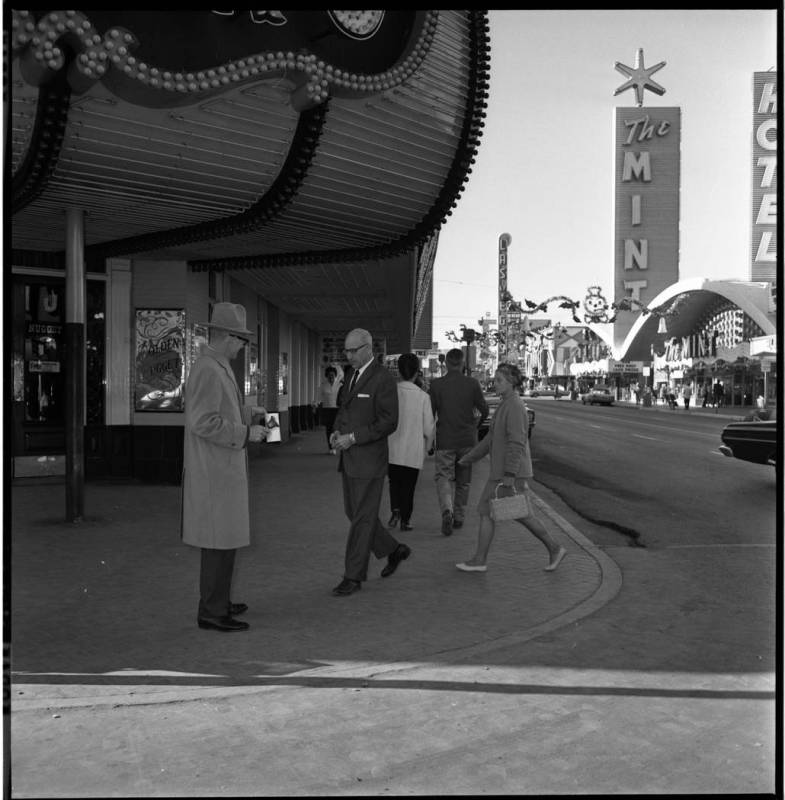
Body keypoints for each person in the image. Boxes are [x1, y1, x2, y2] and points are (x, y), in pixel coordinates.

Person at [181, 302, 268, 632]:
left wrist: (248, 413)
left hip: (220, 470)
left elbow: (218, 413)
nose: (243, 347)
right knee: (218, 542)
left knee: (224, 540)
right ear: (229, 337)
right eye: (242, 340)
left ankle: (218, 601)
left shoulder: (215, 366)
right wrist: (246, 432)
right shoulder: (209, 369)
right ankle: (212, 611)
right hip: (215, 472)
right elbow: (203, 422)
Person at [454, 363, 566, 573]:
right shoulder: (506, 404)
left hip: (508, 473)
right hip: (504, 472)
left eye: (499, 381)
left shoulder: (513, 406)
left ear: (512, 382)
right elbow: (490, 439)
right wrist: (469, 458)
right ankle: (481, 560)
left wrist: (509, 474)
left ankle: (554, 548)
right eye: (495, 380)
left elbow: (517, 442)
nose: (494, 384)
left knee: (515, 514)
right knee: (498, 513)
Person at [329, 328, 411, 596]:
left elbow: (389, 421)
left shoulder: (383, 378)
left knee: (362, 520)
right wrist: (337, 431)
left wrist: (353, 437)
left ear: (368, 348)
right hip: (350, 458)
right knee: (354, 513)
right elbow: (346, 409)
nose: (348, 355)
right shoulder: (352, 375)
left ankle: (353, 576)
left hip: (368, 460)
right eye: (346, 351)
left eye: (353, 351)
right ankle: (393, 549)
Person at [428, 348, 488, 536]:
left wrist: (429, 441)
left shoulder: (436, 385)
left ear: (446, 363)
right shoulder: (472, 384)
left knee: (443, 477)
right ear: (463, 363)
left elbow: (430, 415)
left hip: (445, 439)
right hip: (467, 440)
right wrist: (475, 425)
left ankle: (447, 510)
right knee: (463, 481)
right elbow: (484, 410)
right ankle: (459, 518)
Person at [387, 353, 435, 531]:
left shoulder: (390, 393)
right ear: (417, 372)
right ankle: (406, 520)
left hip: (391, 448)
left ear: (398, 371)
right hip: (413, 451)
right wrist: (429, 447)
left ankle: (395, 510)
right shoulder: (423, 397)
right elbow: (429, 427)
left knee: (394, 482)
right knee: (409, 486)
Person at [317, 365, 342, 452]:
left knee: (336, 429)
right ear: (326, 376)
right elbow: (319, 398)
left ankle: (336, 444)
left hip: (337, 410)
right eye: (329, 375)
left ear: (335, 375)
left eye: (332, 375)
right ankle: (331, 447)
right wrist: (315, 404)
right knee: (329, 429)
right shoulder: (323, 386)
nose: (331, 377)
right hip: (327, 410)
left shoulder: (340, 385)